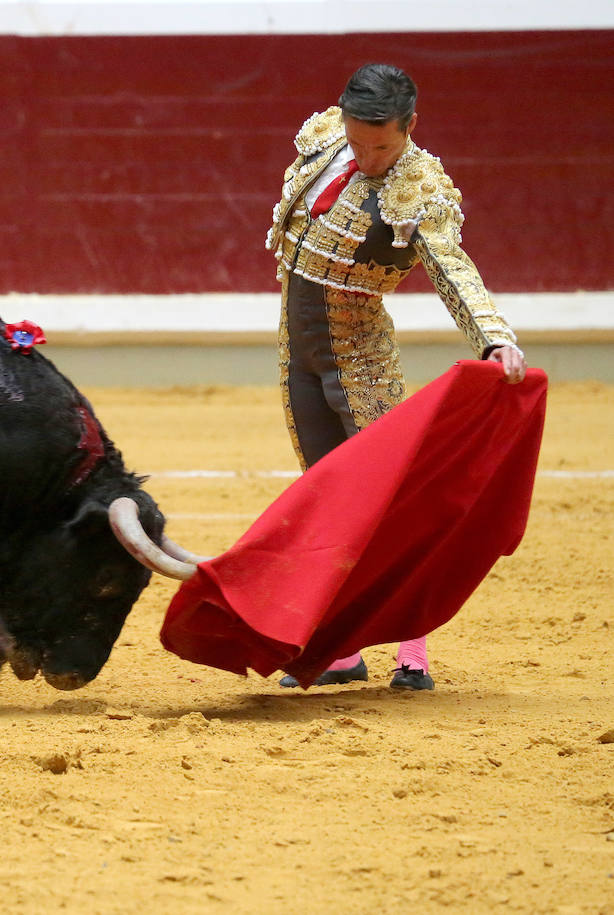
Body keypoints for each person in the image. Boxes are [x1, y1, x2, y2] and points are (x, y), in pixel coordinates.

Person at [265, 63, 527, 691]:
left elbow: (451, 266)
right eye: (358, 143)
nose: (367, 158)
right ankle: (342, 650)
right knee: (327, 496)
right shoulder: (325, 140)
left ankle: (413, 651)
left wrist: (494, 337)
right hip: (299, 350)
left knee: (393, 504)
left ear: (410, 126)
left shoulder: (419, 188)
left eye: (381, 147)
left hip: (360, 358)